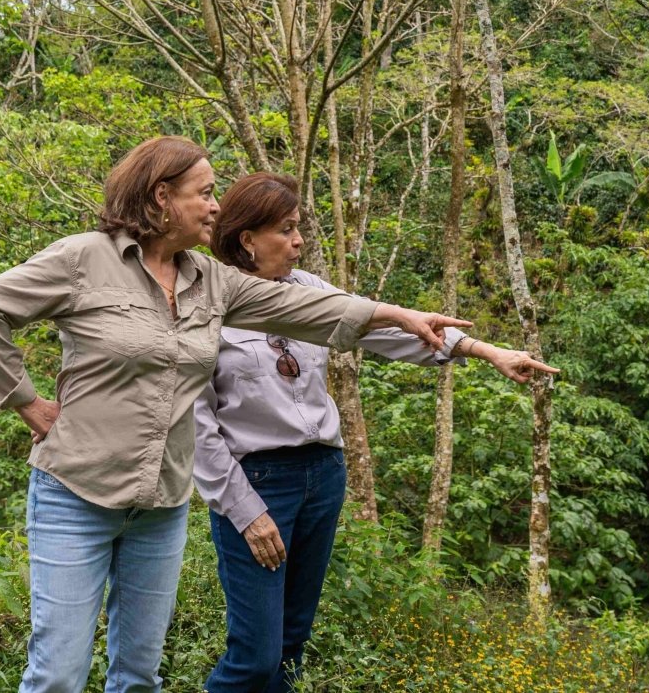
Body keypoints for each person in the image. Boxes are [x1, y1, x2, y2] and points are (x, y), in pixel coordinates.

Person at [0, 137, 467, 693]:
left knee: (139, 676)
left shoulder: (211, 280)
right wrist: (25, 401)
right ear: (162, 197)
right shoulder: (84, 259)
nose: (216, 206)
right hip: (76, 492)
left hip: (162, 503)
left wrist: (396, 313)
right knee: (58, 675)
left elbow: (305, 306)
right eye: (205, 193)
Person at [194, 172, 558, 693]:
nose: (299, 241)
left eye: (299, 228)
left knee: (291, 645)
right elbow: (198, 424)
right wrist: (245, 510)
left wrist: (489, 352)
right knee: (255, 654)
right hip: (256, 481)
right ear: (247, 238)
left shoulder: (309, 291)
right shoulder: (207, 304)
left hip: (321, 474)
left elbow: (392, 328)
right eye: (285, 230)